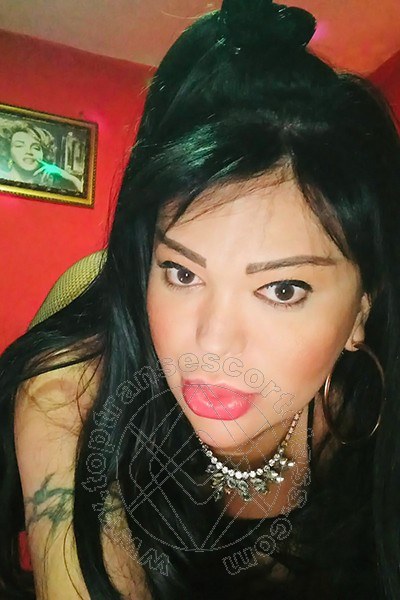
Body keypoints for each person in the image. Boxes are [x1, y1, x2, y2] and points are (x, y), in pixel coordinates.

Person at [0, 0, 399, 598]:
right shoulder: (77, 389)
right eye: (182, 273)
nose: (212, 341)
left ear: (362, 308)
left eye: (282, 289)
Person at [0, 121, 83, 192]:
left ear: (44, 154)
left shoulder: (53, 187)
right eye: (19, 145)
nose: (29, 152)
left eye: (35, 148)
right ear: (7, 151)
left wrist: (70, 178)